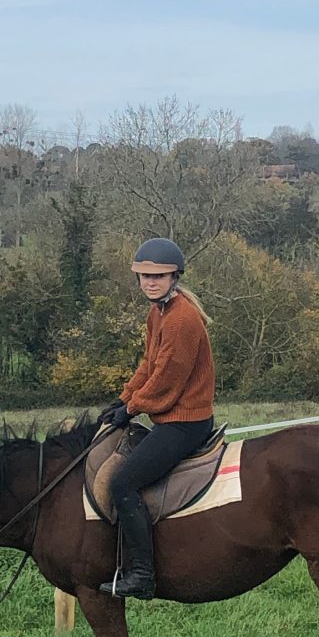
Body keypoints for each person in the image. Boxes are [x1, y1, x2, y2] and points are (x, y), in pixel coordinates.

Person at [99, 237, 215, 599]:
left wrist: (132, 408)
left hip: (185, 423)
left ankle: (142, 575)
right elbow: (148, 365)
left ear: (175, 277)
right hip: (170, 418)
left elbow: (166, 379)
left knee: (123, 485)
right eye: (144, 276)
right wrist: (122, 398)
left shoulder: (181, 319)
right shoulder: (159, 313)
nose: (150, 282)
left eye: (159, 276)